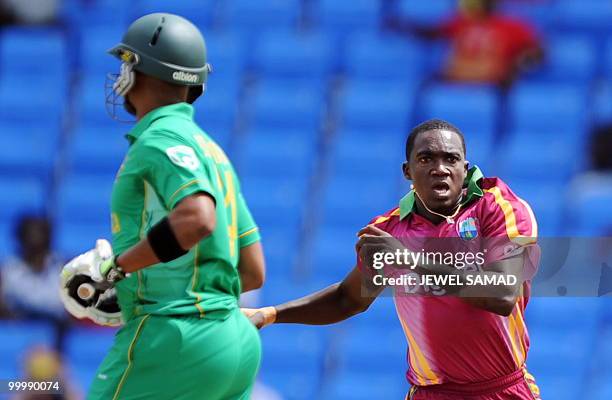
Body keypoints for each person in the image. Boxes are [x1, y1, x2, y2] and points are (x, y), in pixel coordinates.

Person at [244, 119, 542, 399]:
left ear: (465, 168)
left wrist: (409, 259)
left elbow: (501, 293)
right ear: (407, 171)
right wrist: (271, 314)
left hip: (502, 390)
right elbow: (348, 299)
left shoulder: (500, 209)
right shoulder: (390, 229)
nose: (440, 169)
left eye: (450, 159)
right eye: (426, 159)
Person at [59, 13, 265, 400]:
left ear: (142, 70)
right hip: (234, 343)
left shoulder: (158, 138)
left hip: (174, 338)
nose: (120, 74)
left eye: (126, 62)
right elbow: (252, 272)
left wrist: (117, 270)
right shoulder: (212, 153)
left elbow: (198, 219)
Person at [387, 0, 542, 88]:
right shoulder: (460, 22)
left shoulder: (512, 27)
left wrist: (517, 67)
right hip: (457, 79)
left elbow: (536, 53)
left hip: (491, 83)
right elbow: (431, 32)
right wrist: (403, 26)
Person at [0, 215, 66, 323]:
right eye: (30, 236)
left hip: (56, 330)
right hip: (18, 329)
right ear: (20, 239)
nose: (35, 240)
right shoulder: (6, 272)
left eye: (40, 235)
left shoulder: (65, 268)